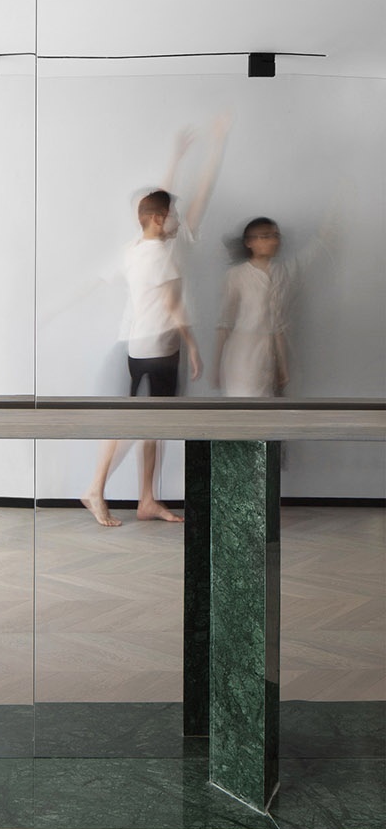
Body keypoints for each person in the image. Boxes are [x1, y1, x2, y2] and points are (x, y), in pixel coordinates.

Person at [81, 117, 229, 527]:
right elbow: (161, 204)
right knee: (135, 422)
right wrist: (181, 158)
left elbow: (184, 199)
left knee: (153, 425)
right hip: (141, 341)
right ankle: (96, 488)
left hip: (159, 341)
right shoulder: (147, 245)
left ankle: (147, 498)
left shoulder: (167, 238)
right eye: (170, 212)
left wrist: (206, 150)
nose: (177, 214)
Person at [211, 216, 298, 397]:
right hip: (242, 354)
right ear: (249, 242)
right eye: (265, 236)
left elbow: (278, 325)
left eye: (275, 236)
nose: (273, 241)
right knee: (245, 404)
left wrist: (283, 366)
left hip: (268, 355)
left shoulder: (281, 273)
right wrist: (216, 366)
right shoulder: (237, 275)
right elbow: (225, 323)